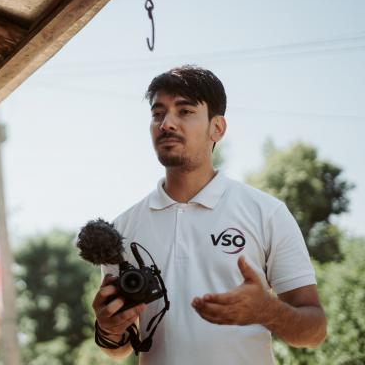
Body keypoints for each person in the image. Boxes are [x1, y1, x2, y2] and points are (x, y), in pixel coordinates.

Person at [92, 65, 327, 364]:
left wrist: (267, 310)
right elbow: (118, 348)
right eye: (157, 113)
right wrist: (108, 328)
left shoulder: (266, 213)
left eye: (185, 111)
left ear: (217, 128)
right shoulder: (122, 229)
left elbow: (315, 331)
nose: (167, 123)